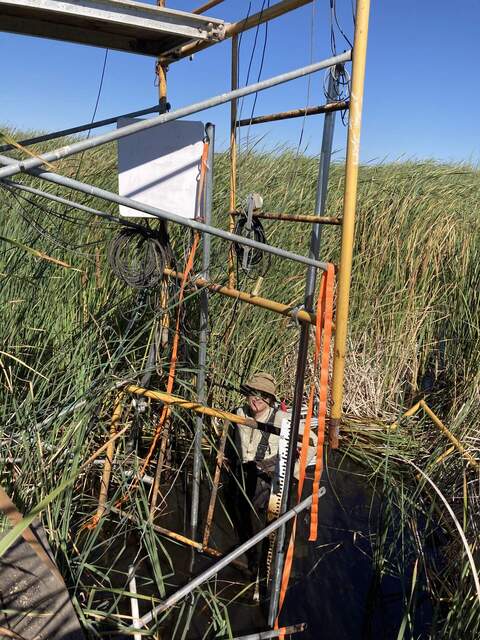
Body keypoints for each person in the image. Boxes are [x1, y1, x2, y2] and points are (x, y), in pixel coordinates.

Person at [228, 372, 286, 577]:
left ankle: (262, 564)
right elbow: (230, 440)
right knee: (239, 512)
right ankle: (248, 554)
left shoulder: (282, 419)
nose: (257, 399)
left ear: (270, 399)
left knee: (262, 520)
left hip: (267, 479)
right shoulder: (238, 413)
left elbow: (310, 446)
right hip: (242, 473)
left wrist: (279, 466)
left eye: (263, 395)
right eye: (253, 393)